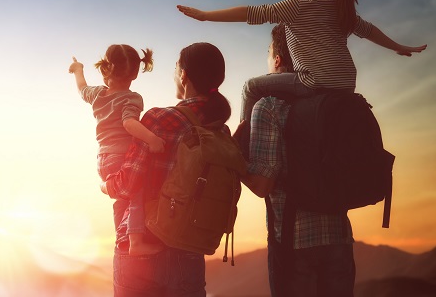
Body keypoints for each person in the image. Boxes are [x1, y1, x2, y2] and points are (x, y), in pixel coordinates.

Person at [177, 0, 427, 122]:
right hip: (346, 84)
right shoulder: (339, 6)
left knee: (251, 87)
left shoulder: (298, 7)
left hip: (315, 82)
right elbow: (369, 31)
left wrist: (206, 15)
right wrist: (398, 46)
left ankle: (243, 146)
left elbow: (252, 12)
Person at [101, 42, 231, 297]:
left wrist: (105, 185)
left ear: (183, 75)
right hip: (190, 250)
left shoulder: (159, 119)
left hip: (143, 247)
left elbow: (128, 184)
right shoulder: (220, 130)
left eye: (175, 68)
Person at [237, 27, 355, 297]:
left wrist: (233, 157)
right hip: (340, 237)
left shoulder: (267, 106)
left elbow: (262, 186)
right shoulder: (332, 104)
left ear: (277, 59)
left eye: (268, 53)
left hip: (294, 240)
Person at [68, 44, 165, 256]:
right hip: (122, 157)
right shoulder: (131, 98)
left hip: (102, 159)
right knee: (136, 193)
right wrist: (152, 139)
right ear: (135, 74)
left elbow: (82, 88)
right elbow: (129, 123)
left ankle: (122, 237)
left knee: (122, 200)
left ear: (105, 69)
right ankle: (136, 243)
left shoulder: (97, 95)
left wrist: (78, 69)